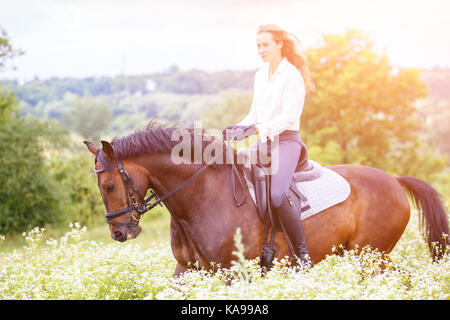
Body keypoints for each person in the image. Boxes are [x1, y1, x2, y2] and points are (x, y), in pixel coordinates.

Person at [223, 24, 315, 267]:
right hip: (263, 142)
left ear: (280, 45)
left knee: (276, 195)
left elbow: (289, 116)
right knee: (232, 173)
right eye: (258, 46)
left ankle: (303, 255)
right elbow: (255, 113)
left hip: (286, 141)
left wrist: (254, 130)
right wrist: (237, 127)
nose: (261, 50)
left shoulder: (292, 76)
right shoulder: (260, 74)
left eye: (266, 45)